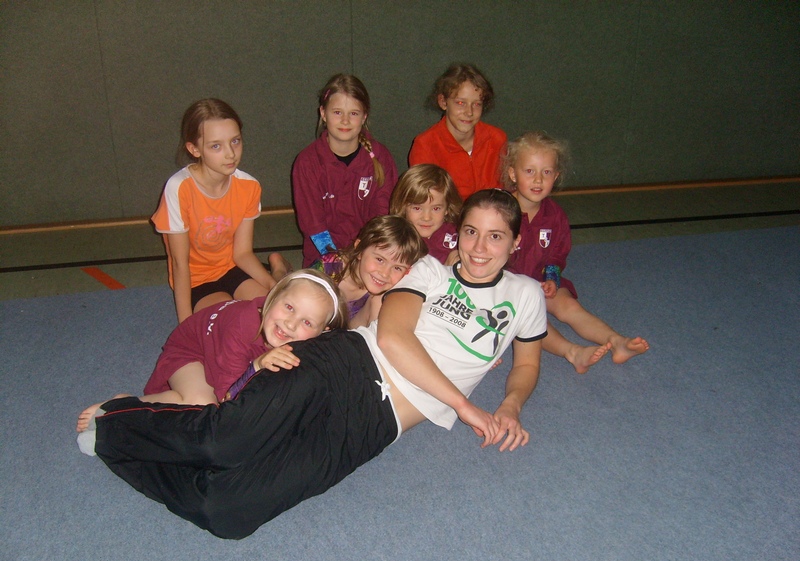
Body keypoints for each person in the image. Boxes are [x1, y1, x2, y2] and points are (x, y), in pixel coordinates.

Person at [76, 189, 548, 540]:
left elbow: (526, 364)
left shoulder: (525, 295)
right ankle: (118, 419)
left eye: (495, 236)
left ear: (516, 240)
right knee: (226, 438)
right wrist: (463, 405)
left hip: (376, 424)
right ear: (458, 233)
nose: (479, 247)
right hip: (346, 363)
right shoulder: (428, 270)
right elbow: (393, 337)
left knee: (228, 513)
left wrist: (511, 405)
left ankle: (118, 446)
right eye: (471, 232)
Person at [76, 270, 348, 432]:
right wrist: (257, 365)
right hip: (191, 352)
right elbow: (229, 398)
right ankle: (125, 406)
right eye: (289, 307)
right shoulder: (241, 326)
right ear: (273, 297)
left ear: (321, 332)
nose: (290, 324)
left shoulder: (306, 340)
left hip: (220, 351)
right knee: (203, 406)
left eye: (307, 322)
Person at [503, 131, 649, 371]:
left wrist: (551, 277)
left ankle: (617, 341)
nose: (538, 180)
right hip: (506, 286)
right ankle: (573, 352)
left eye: (546, 172)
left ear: (556, 176)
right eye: (529, 171)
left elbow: (557, 253)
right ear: (512, 174)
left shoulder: (555, 215)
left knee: (569, 306)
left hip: (541, 279)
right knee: (530, 318)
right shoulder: (500, 210)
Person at [152, 98, 292, 323]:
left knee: (277, 314)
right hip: (198, 280)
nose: (230, 154)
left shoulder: (249, 186)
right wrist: (185, 324)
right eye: (216, 146)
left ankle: (277, 271)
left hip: (233, 268)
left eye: (235, 141)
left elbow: (242, 253)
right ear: (194, 149)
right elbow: (180, 264)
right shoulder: (179, 189)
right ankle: (276, 269)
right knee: (234, 322)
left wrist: (272, 286)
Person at [292, 74, 398, 267]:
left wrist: (363, 256)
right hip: (324, 255)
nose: (345, 121)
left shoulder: (380, 157)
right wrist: (338, 262)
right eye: (337, 112)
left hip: (369, 252)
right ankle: (280, 267)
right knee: (331, 287)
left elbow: (383, 216)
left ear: (364, 116)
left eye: (354, 113)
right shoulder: (307, 163)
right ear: (323, 113)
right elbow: (313, 225)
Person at [408, 63, 507, 201]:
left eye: (477, 104)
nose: (469, 112)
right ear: (443, 102)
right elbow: (427, 202)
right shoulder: (425, 145)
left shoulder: (497, 139)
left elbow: (503, 192)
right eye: (460, 103)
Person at [311, 215, 427, 327]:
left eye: (397, 268)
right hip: (311, 327)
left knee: (381, 300)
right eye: (380, 260)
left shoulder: (384, 290)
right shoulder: (329, 267)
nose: (384, 273)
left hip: (346, 334)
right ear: (360, 249)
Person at [389, 164, 461, 264]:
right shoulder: (399, 240)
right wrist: (446, 268)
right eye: (417, 208)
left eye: (436, 209)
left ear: (447, 208)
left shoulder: (459, 233)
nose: (426, 218)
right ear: (403, 206)